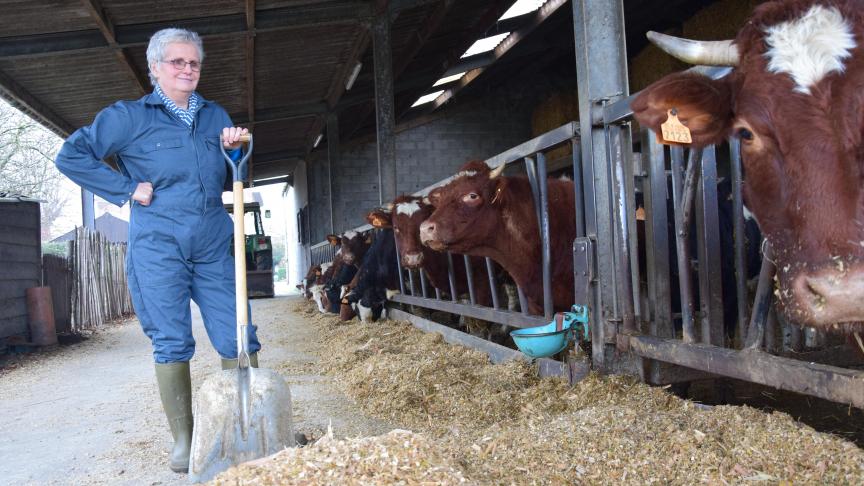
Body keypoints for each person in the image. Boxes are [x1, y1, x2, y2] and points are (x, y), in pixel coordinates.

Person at [54, 28, 261, 474]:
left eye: (194, 63)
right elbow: (71, 156)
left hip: (210, 236)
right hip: (158, 242)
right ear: (154, 68)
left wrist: (236, 149)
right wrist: (126, 188)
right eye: (177, 62)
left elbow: (235, 173)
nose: (188, 70)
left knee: (238, 333)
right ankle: (186, 441)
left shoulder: (214, 115)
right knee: (171, 340)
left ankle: (242, 425)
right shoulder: (127, 118)